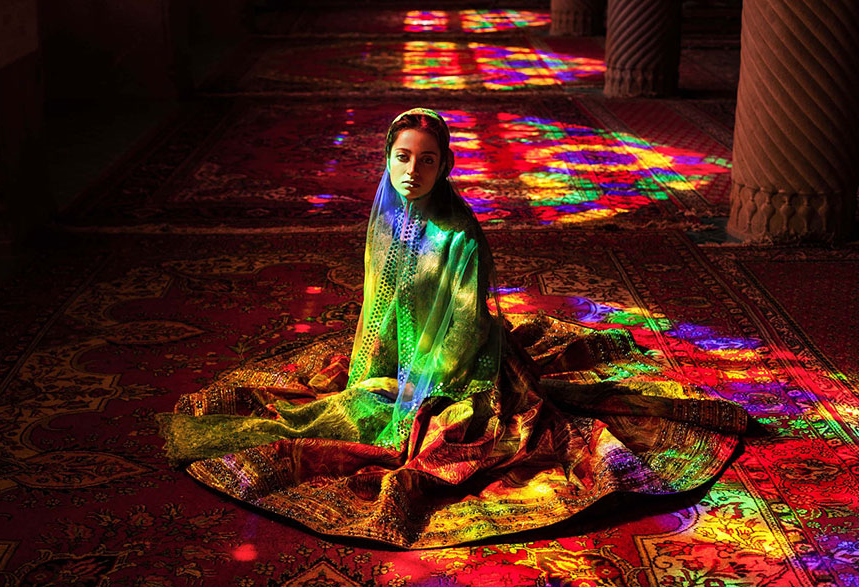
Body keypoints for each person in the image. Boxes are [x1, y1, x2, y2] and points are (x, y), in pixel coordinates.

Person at [157, 108, 747, 549]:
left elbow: (463, 326)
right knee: (342, 401)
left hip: (459, 365)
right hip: (403, 350)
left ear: (444, 167)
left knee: (448, 434)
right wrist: (370, 367)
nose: (412, 171)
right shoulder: (387, 216)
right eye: (402, 157)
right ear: (387, 159)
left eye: (427, 160)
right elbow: (379, 300)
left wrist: (417, 389)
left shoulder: (458, 235)